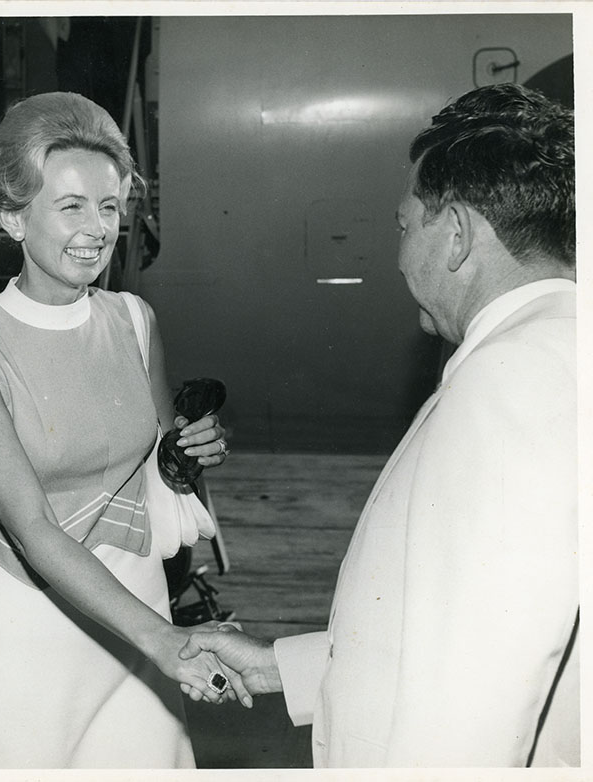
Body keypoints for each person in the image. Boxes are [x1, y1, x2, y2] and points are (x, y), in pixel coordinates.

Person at [180, 83, 578, 768]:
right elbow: (464, 629)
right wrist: (286, 667)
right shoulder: (550, 350)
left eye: (404, 227)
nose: (397, 256)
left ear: (454, 235)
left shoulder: (512, 381)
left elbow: (473, 702)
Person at [0, 91, 233, 768]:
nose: (96, 228)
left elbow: (155, 461)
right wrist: (163, 639)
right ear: (10, 215)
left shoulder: (133, 319)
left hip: (139, 594)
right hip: (31, 620)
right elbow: (32, 530)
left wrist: (186, 455)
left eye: (109, 207)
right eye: (70, 207)